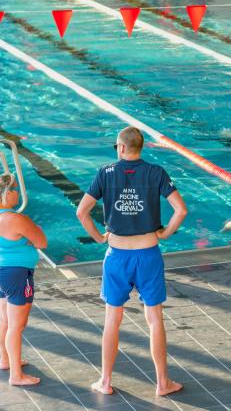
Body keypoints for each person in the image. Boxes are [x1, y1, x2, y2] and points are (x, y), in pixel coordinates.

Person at [76, 126, 187, 397]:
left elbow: (82, 212)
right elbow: (181, 210)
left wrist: (99, 238)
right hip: (148, 254)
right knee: (154, 319)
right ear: (142, 147)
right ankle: (162, 383)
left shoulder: (105, 173)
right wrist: (165, 233)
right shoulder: (155, 172)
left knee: (112, 320)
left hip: (117, 256)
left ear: (121, 147)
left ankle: (105, 381)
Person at [0, 172, 47, 387]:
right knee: (16, 326)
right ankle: (16, 375)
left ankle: (5, 359)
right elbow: (42, 242)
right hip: (18, 275)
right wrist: (29, 239)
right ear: (7, 193)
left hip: (2, 272)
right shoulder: (16, 218)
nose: (19, 193)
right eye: (16, 189)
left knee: (5, 321)